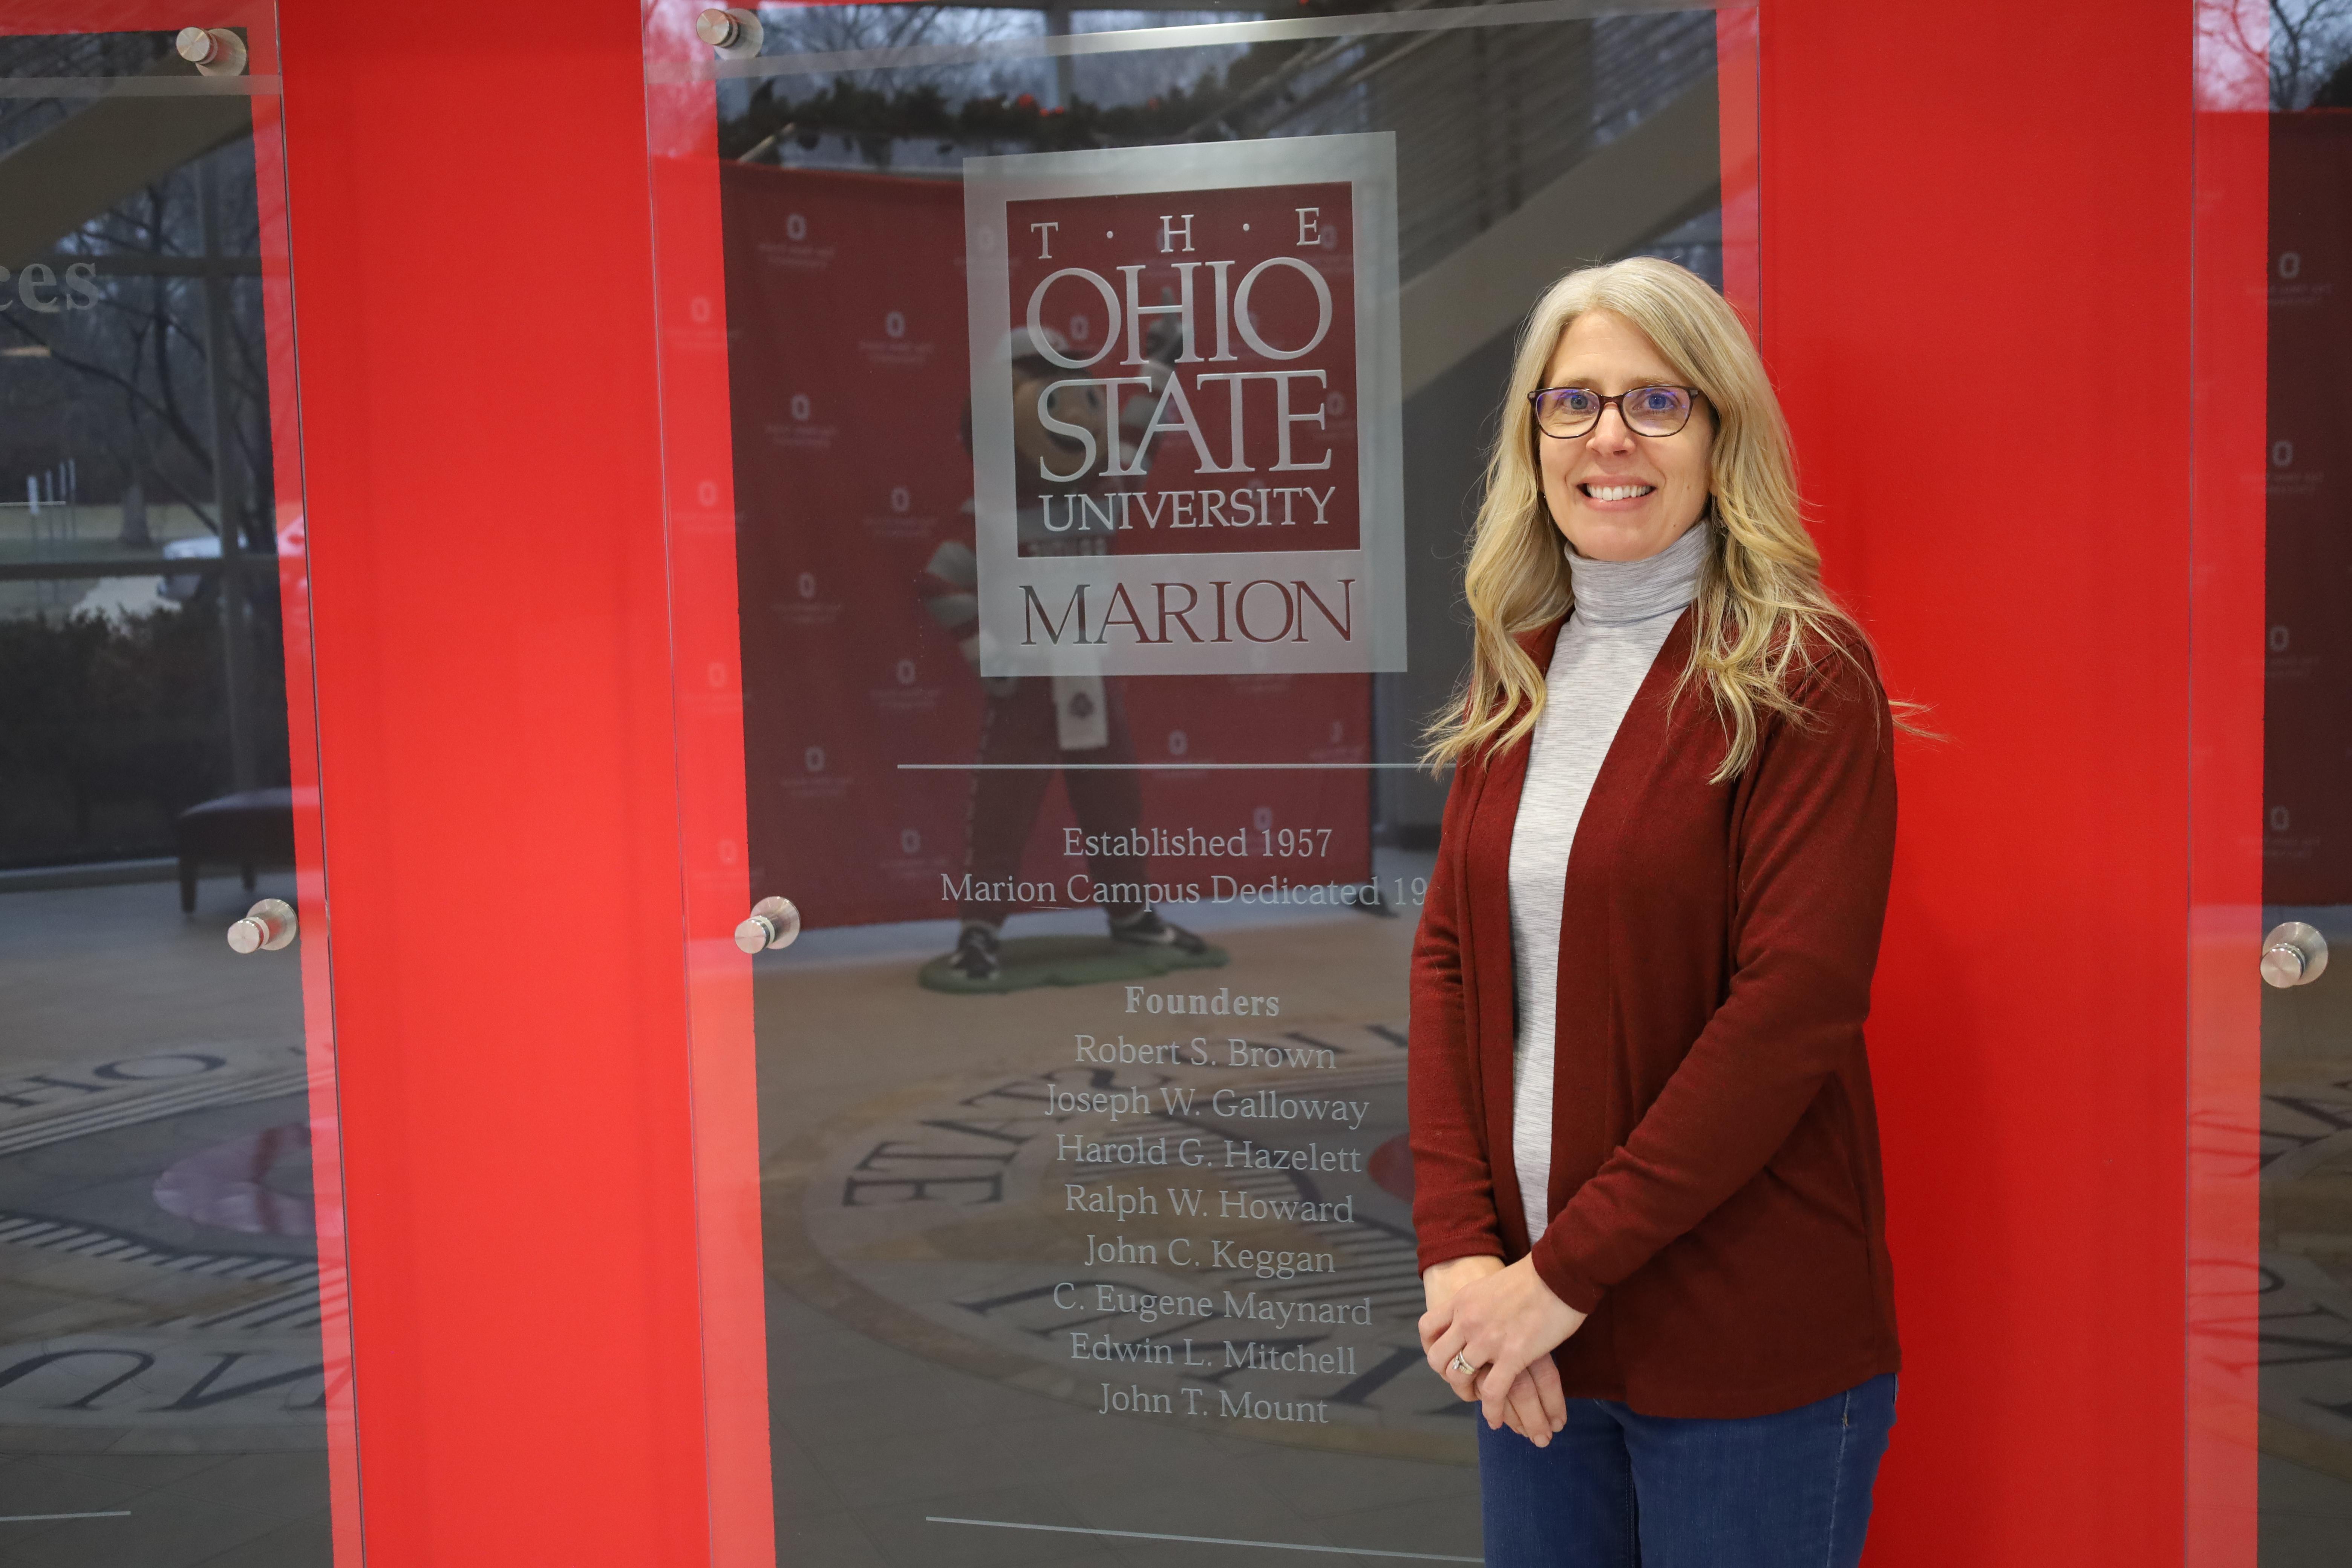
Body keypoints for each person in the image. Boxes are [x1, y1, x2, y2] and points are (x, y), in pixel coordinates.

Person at [1408, 257, 1902, 1567]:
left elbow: (1790, 1012)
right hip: (1533, 1344)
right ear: (1534, 438)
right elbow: (1453, 962)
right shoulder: (1521, 661)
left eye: (1655, 403)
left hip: (1740, 1348)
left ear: (1719, 430)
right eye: (1571, 403)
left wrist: (1558, 1279)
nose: (1609, 437)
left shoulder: (1803, 672)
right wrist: (1463, 1259)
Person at [920, 327, 1208, 982]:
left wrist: (1158, 369)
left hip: (1090, 676)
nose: (1078, 419)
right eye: (1055, 403)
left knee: (1114, 800)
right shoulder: (989, 515)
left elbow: (1138, 439)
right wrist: (987, 653)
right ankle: (979, 929)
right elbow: (939, 578)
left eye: (1084, 402)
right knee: (1004, 806)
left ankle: (1131, 917)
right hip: (1025, 686)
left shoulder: (1100, 496)